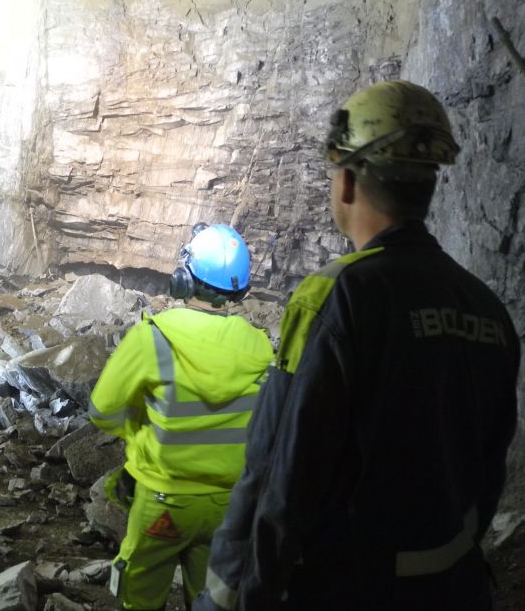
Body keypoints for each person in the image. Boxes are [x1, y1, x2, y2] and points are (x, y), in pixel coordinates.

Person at [194, 80, 521, 611]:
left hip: (351, 591)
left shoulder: (335, 297)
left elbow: (279, 473)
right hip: (453, 589)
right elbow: (488, 473)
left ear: (347, 182)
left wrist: (231, 596)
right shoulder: (485, 308)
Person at [89, 223, 274, 610]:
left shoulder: (153, 336)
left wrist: (139, 438)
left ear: (182, 280)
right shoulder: (259, 346)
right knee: (215, 600)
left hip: (165, 500)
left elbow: (102, 410)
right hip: (231, 507)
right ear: (239, 291)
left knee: (139, 594)